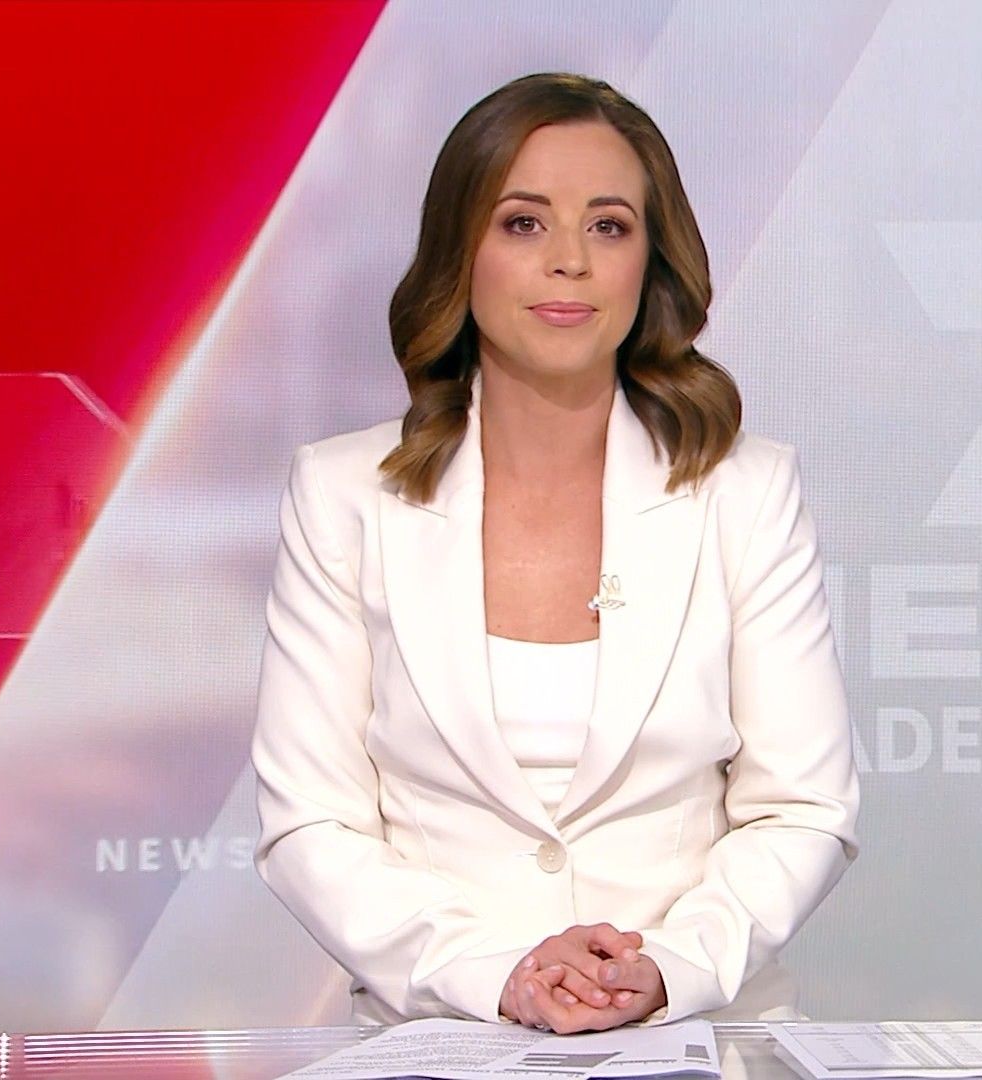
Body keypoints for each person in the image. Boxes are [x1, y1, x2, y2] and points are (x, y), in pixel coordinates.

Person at [250, 72, 859, 1034]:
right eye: (524, 223)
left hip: (695, 1034)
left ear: (650, 261)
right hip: (444, 1038)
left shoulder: (745, 491)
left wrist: (666, 968)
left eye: (608, 226)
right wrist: (498, 974)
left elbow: (803, 808)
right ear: (461, 250)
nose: (569, 260)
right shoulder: (343, 494)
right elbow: (310, 823)